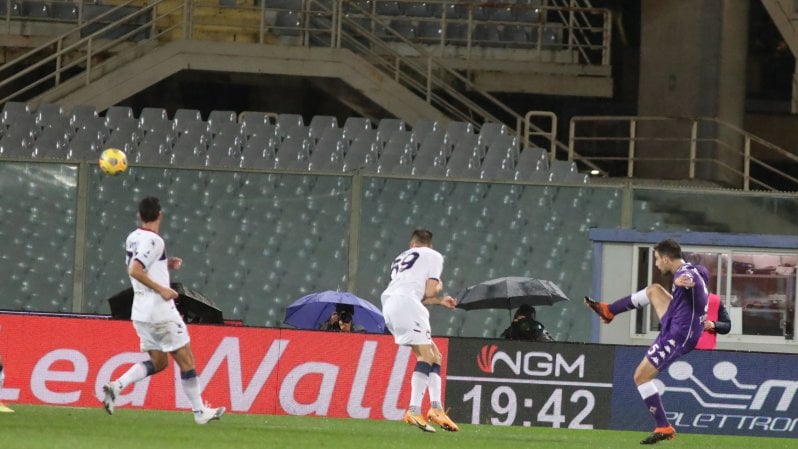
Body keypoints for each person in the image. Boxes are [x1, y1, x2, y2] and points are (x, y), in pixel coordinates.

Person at [102, 196, 225, 424]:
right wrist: (163, 289)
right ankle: (200, 413)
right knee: (186, 359)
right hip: (159, 310)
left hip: (140, 312)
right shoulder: (154, 240)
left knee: (160, 362)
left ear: (140, 215)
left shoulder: (133, 237)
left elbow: (140, 264)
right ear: (160, 215)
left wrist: (164, 265)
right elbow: (135, 270)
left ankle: (117, 386)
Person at [584, 239, 707, 445]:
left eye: (658, 259)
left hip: (678, 335)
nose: (657, 264)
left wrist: (681, 281)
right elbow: (700, 272)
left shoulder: (685, 273)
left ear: (667, 259)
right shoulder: (694, 268)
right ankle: (609, 310)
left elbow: (687, 277)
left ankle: (664, 427)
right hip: (679, 320)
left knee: (641, 377)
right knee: (654, 290)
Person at [380, 229, 459, 433]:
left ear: (412, 244)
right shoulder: (433, 255)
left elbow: (420, 295)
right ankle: (414, 410)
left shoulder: (400, 257)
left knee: (435, 355)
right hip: (407, 304)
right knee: (426, 356)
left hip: (391, 304)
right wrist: (439, 288)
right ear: (429, 245)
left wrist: (440, 301)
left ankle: (436, 409)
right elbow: (430, 291)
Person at [694, 265, 731, 350]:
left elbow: (727, 326)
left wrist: (713, 324)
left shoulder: (715, 301)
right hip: (685, 353)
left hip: (708, 354)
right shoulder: (683, 300)